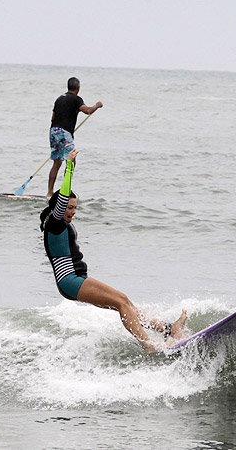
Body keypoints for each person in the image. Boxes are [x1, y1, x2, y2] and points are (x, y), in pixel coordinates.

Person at [40, 149, 187, 352]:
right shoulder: (54, 223)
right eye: (69, 207)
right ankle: (148, 344)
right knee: (121, 301)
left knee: (126, 303)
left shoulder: (61, 223)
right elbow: (63, 194)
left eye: (75, 208)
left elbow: (65, 198)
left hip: (77, 279)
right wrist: (70, 168)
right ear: (59, 206)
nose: (73, 211)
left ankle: (167, 329)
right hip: (69, 279)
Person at [47, 77, 103, 197]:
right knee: (71, 161)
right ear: (78, 88)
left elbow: (53, 117)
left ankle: (50, 192)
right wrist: (97, 105)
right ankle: (65, 190)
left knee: (56, 163)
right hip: (64, 133)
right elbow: (88, 110)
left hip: (53, 131)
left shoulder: (59, 98)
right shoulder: (76, 99)